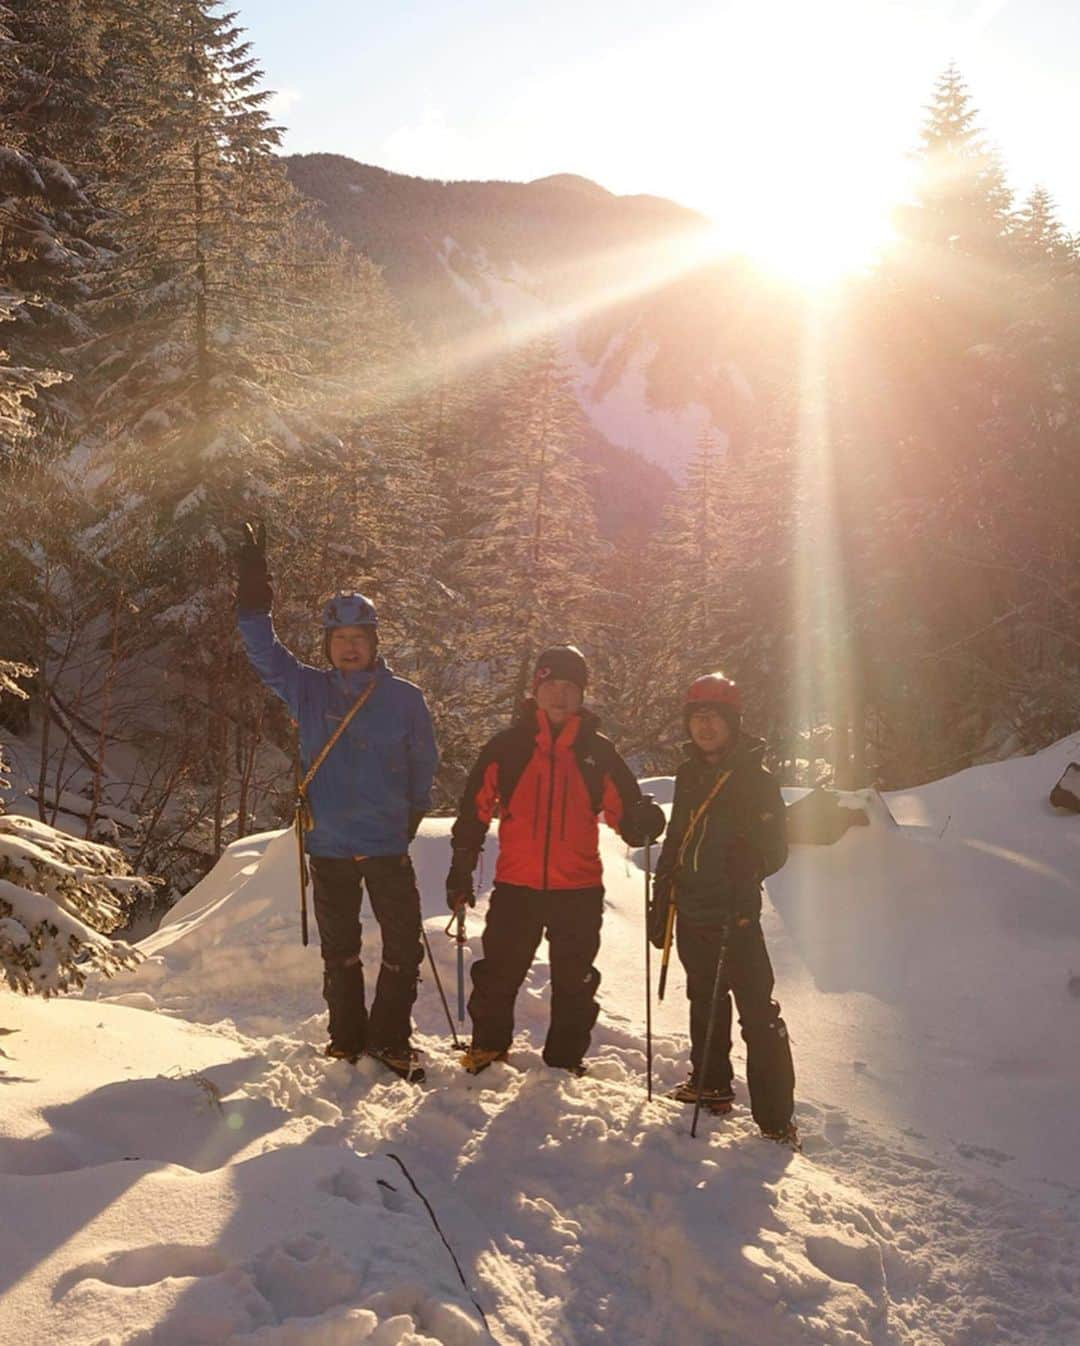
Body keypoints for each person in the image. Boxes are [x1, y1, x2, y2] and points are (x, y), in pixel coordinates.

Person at [236, 523, 438, 1082]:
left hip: (384, 844)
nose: (349, 646)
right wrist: (254, 594)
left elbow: (425, 760)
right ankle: (347, 1040)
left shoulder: (404, 699)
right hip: (327, 845)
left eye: (359, 637)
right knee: (341, 950)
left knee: (402, 946)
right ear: (327, 645)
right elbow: (263, 652)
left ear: (374, 643)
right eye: (339, 638)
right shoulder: (309, 689)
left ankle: (391, 1038)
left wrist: (413, 811)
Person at [446, 645, 666, 1076]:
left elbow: (628, 818)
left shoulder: (598, 752)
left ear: (582, 693)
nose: (561, 695)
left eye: (570, 687)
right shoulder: (507, 747)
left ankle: (564, 1062)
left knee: (575, 982)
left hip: (578, 890)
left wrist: (644, 823)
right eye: (552, 685)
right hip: (516, 886)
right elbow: (474, 811)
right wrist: (460, 866)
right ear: (537, 689)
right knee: (497, 975)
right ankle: (489, 1049)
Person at [650, 672, 797, 1144]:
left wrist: (750, 861)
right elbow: (677, 838)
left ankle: (775, 1120)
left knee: (758, 1012)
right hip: (691, 907)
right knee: (704, 998)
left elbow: (776, 847)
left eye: (713, 716)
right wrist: (660, 897)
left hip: (735, 911)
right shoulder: (690, 774)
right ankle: (711, 1084)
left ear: (733, 722)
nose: (704, 725)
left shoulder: (756, 779)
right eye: (697, 716)